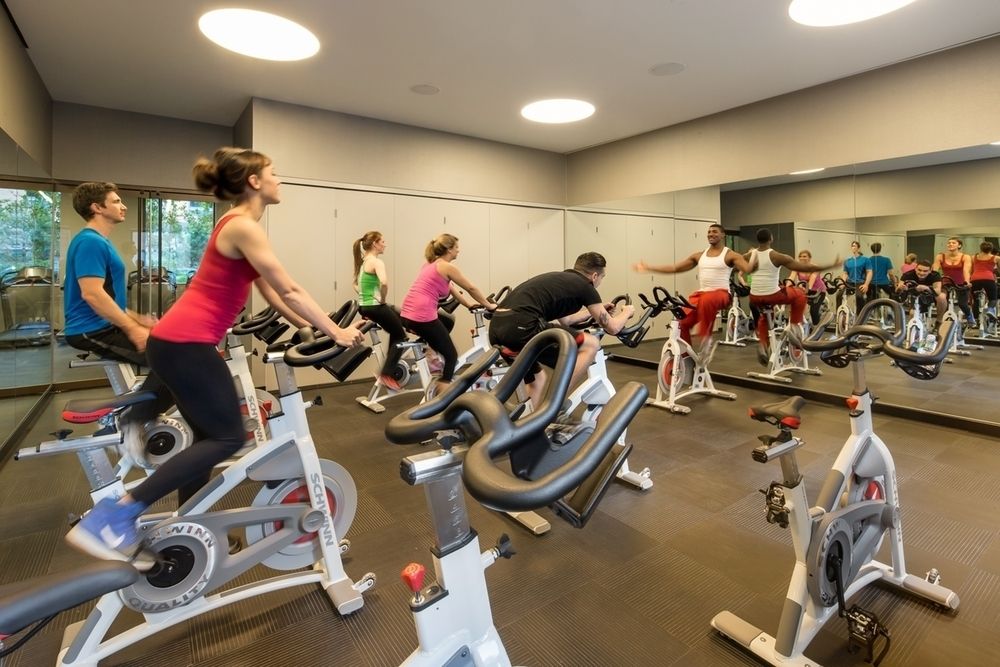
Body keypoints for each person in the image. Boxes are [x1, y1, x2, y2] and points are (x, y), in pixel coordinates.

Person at [65, 147, 364, 569]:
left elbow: (275, 295)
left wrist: (309, 328)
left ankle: (188, 522)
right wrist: (337, 332)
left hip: (176, 341)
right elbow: (291, 288)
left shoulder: (237, 225)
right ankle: (113, 517)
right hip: (186, 344)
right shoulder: (242, 225)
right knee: (228, 438)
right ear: (254, 181)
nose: (279, 179)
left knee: (208, 438)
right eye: (274, 172)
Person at [62, 182, 173, 455]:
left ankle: (139, 414)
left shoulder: (99, 241)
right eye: (115, 201)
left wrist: (139, 319)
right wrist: (132, 328)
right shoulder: (90, 241)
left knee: (175, 353)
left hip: (104, 325)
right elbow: (92, 294)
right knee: (171, 360)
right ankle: (132, 422)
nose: (123, 206)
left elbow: (110, 299)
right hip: (92, 330)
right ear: (97, 207)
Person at [490, 252, 634, 407]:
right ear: (594, 276)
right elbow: (613, 328)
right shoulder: (585, 287)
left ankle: (534, 418)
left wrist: (596, 311)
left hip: (498, 329)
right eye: (602, 277)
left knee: (538, 379)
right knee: (591, 344)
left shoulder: (562, 280)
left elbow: (567, 320)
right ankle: (553, 403)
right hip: (522, 326)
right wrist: (627, 312)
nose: (600, 281)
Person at [634, 223, 753, 354]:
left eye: (714, 231)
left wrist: (754, 258)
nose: (711, 234)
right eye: (709, 232)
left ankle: (706, 340)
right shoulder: (699, 256)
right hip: (701, 295)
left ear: (723, 235)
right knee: (681, 322)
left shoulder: (730, 255)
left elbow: (747, 268)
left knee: (707, 299)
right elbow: (675, 268)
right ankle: (685, 356)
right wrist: (649, 267)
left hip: (722, 294)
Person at [399, 233, 495, 396]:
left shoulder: (431, 265)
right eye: (456, 247)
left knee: (447, 322)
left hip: (407, 315)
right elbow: (470, 288)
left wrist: (468, 304)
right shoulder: (447, 267)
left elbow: (451, 288)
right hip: (422, 316)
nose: (459, 250)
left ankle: (432, 356)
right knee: (451, 356)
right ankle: (442, 394)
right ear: (449, 250)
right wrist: (489, 305)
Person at [744, 230, 839, 364]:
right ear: (771, 238)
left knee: (765, 315)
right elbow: (805, 268)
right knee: (799, 294)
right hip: (772, 295)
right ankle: (794, 325)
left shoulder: (750, 255)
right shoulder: (777, 256)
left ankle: (763, 343)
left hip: (755, 297)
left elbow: (732, 263)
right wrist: (832, 265)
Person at [353, 231, 408, 390]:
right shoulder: (376, 262)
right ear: (375, 244)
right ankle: (387, 374)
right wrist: (382, 299)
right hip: (376, 307)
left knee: (401, 320)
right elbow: (384, 283)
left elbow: (355, 284)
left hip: (365, 307)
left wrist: (367, 297)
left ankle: (388, 370)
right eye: (382, 241)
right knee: (400, 336)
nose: (385, 244)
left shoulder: (363, 262)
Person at [932, 236, 975, 326]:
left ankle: (969, 316)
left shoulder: (965, 257)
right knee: (941, 300)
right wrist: (933, 281)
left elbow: (966, 270)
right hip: (946, 282)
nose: (950, 244)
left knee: (962, 304)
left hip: (961, 283)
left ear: (959, 245)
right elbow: (935, 271)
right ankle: (940, 321)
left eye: (953, 243)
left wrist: (967, 281)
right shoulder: (940, 256)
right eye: (949, 243)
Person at [787, 249, 828, 326]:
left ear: (809, 258)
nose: (802, 258)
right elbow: (791, 278)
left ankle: (817, 329)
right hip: (805, 290)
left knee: (814, 310)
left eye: (804, 256)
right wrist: (786, 288)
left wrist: (807, 289)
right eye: (800, 256)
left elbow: (812, 279)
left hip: (818, 291)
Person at [970, 241, 1000, 322]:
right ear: (991, 249)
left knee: (975, 300)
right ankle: (990, 310)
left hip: (975, 279)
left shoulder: (973, 257)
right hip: (989, 279)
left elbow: (971, 270)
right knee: (993, 299)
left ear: (980, 249)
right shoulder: (996, 258)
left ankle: (975, 319)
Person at [840, 240, 871, 310]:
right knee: (839, 295)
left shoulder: (865, 259)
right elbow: (845, 273)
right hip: (849, 282)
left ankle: (860, 314)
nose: (853, 247)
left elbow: (869, 272)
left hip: (860, 282)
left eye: (854, 246)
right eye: (852, 246)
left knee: (859, 297)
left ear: (858, 248)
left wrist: (866, 284)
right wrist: (842, 283)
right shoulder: (847, 261)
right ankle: (839, 313)